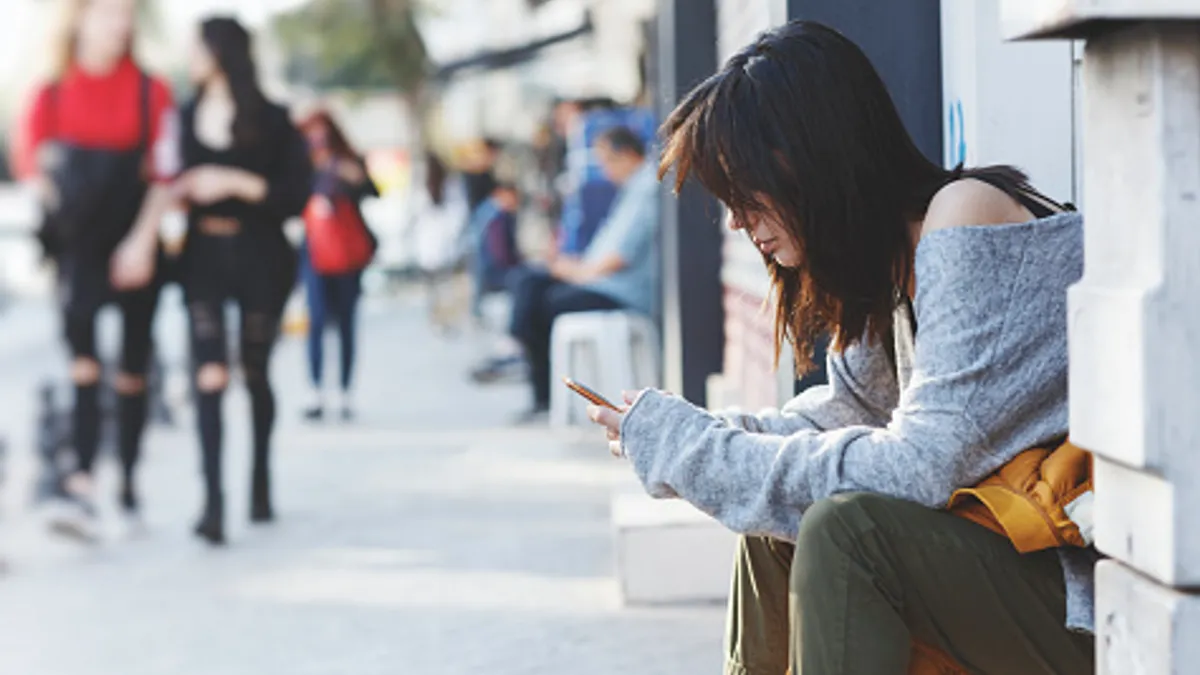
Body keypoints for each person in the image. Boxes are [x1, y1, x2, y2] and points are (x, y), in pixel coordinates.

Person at [587, 21, 1094, 675]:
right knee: (775, 530)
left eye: (744, 192)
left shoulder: (964, 215)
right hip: (1002, 575)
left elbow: (917, 468)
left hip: (1076, 598)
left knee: (847, 532)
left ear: (808, 159)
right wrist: (694, 436)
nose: (737, 221)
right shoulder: (886, 270)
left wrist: (699, 451)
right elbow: (840, 419)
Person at [14, 0, 178, 540]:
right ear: (80, 18)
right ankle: (81, 482)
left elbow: (164, 174)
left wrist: (141, 242)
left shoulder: (150, 91)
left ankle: (128, 484)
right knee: (83, 365)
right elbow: (31, 164)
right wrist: (59, 207)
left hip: (136, 240)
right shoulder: (51, 91)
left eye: (125, 14)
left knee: (132, 370)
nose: (119, 23)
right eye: (108, 12)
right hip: (79, 248)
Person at [174, 16, 313, 545]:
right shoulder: (184, 117)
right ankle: (212, 501)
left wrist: (233, 181)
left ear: (220, 51)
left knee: (254, 371)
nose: (190, 55)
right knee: (209, 372)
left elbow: (295, 196)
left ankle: (259, 480)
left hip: (261, 254)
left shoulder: (274, 120)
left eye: (197, 45)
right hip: (203, 254)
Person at [500, 126, 659, 421]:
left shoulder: (646, 189)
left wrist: (578, 273)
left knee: (544, 303)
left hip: (618, 291)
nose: (603, 170)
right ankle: (519, 344)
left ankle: (523, 356)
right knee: (528, 280)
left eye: (606, 161)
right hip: (598, 280)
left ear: (625, 155)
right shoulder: (630, 190)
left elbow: (619, 257)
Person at [296, 109, 379, 422]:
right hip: (315, 250)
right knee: (316, 321)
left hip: (347, 253)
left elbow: (374, 191)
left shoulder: (347, 161)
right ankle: (316, 390)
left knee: (346, 323)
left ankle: (345, 391)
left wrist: (353, 176)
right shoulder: (303, 163)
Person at [412, 152, 469, 333]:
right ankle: (442, 319)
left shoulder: (447, 186)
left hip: (437, 245)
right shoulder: (431, 187)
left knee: (439, 287)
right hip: (437, 245)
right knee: (443, 286)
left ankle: (441, 319)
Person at [467, 182, 522, 320]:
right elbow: (500, 252)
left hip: (481, 269)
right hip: (492, 271)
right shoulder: (497, 217)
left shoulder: (484, 210)